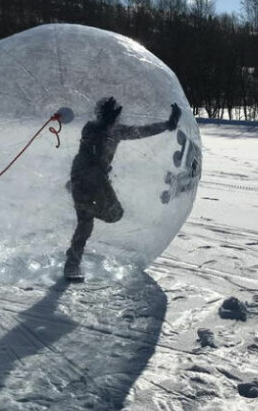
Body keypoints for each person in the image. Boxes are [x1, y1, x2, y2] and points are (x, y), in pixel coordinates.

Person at [63, 96, 181, 281]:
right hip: (84, 176)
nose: (118, 117)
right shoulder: (92, 128)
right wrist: (105, 125)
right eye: (113, 114)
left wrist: (168, 124)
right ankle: (72, 264)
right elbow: (95, 140)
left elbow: (142, 131)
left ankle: (85, 211)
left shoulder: (115, 130)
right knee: (87, 223)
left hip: (93, 178)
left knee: (112, 215)